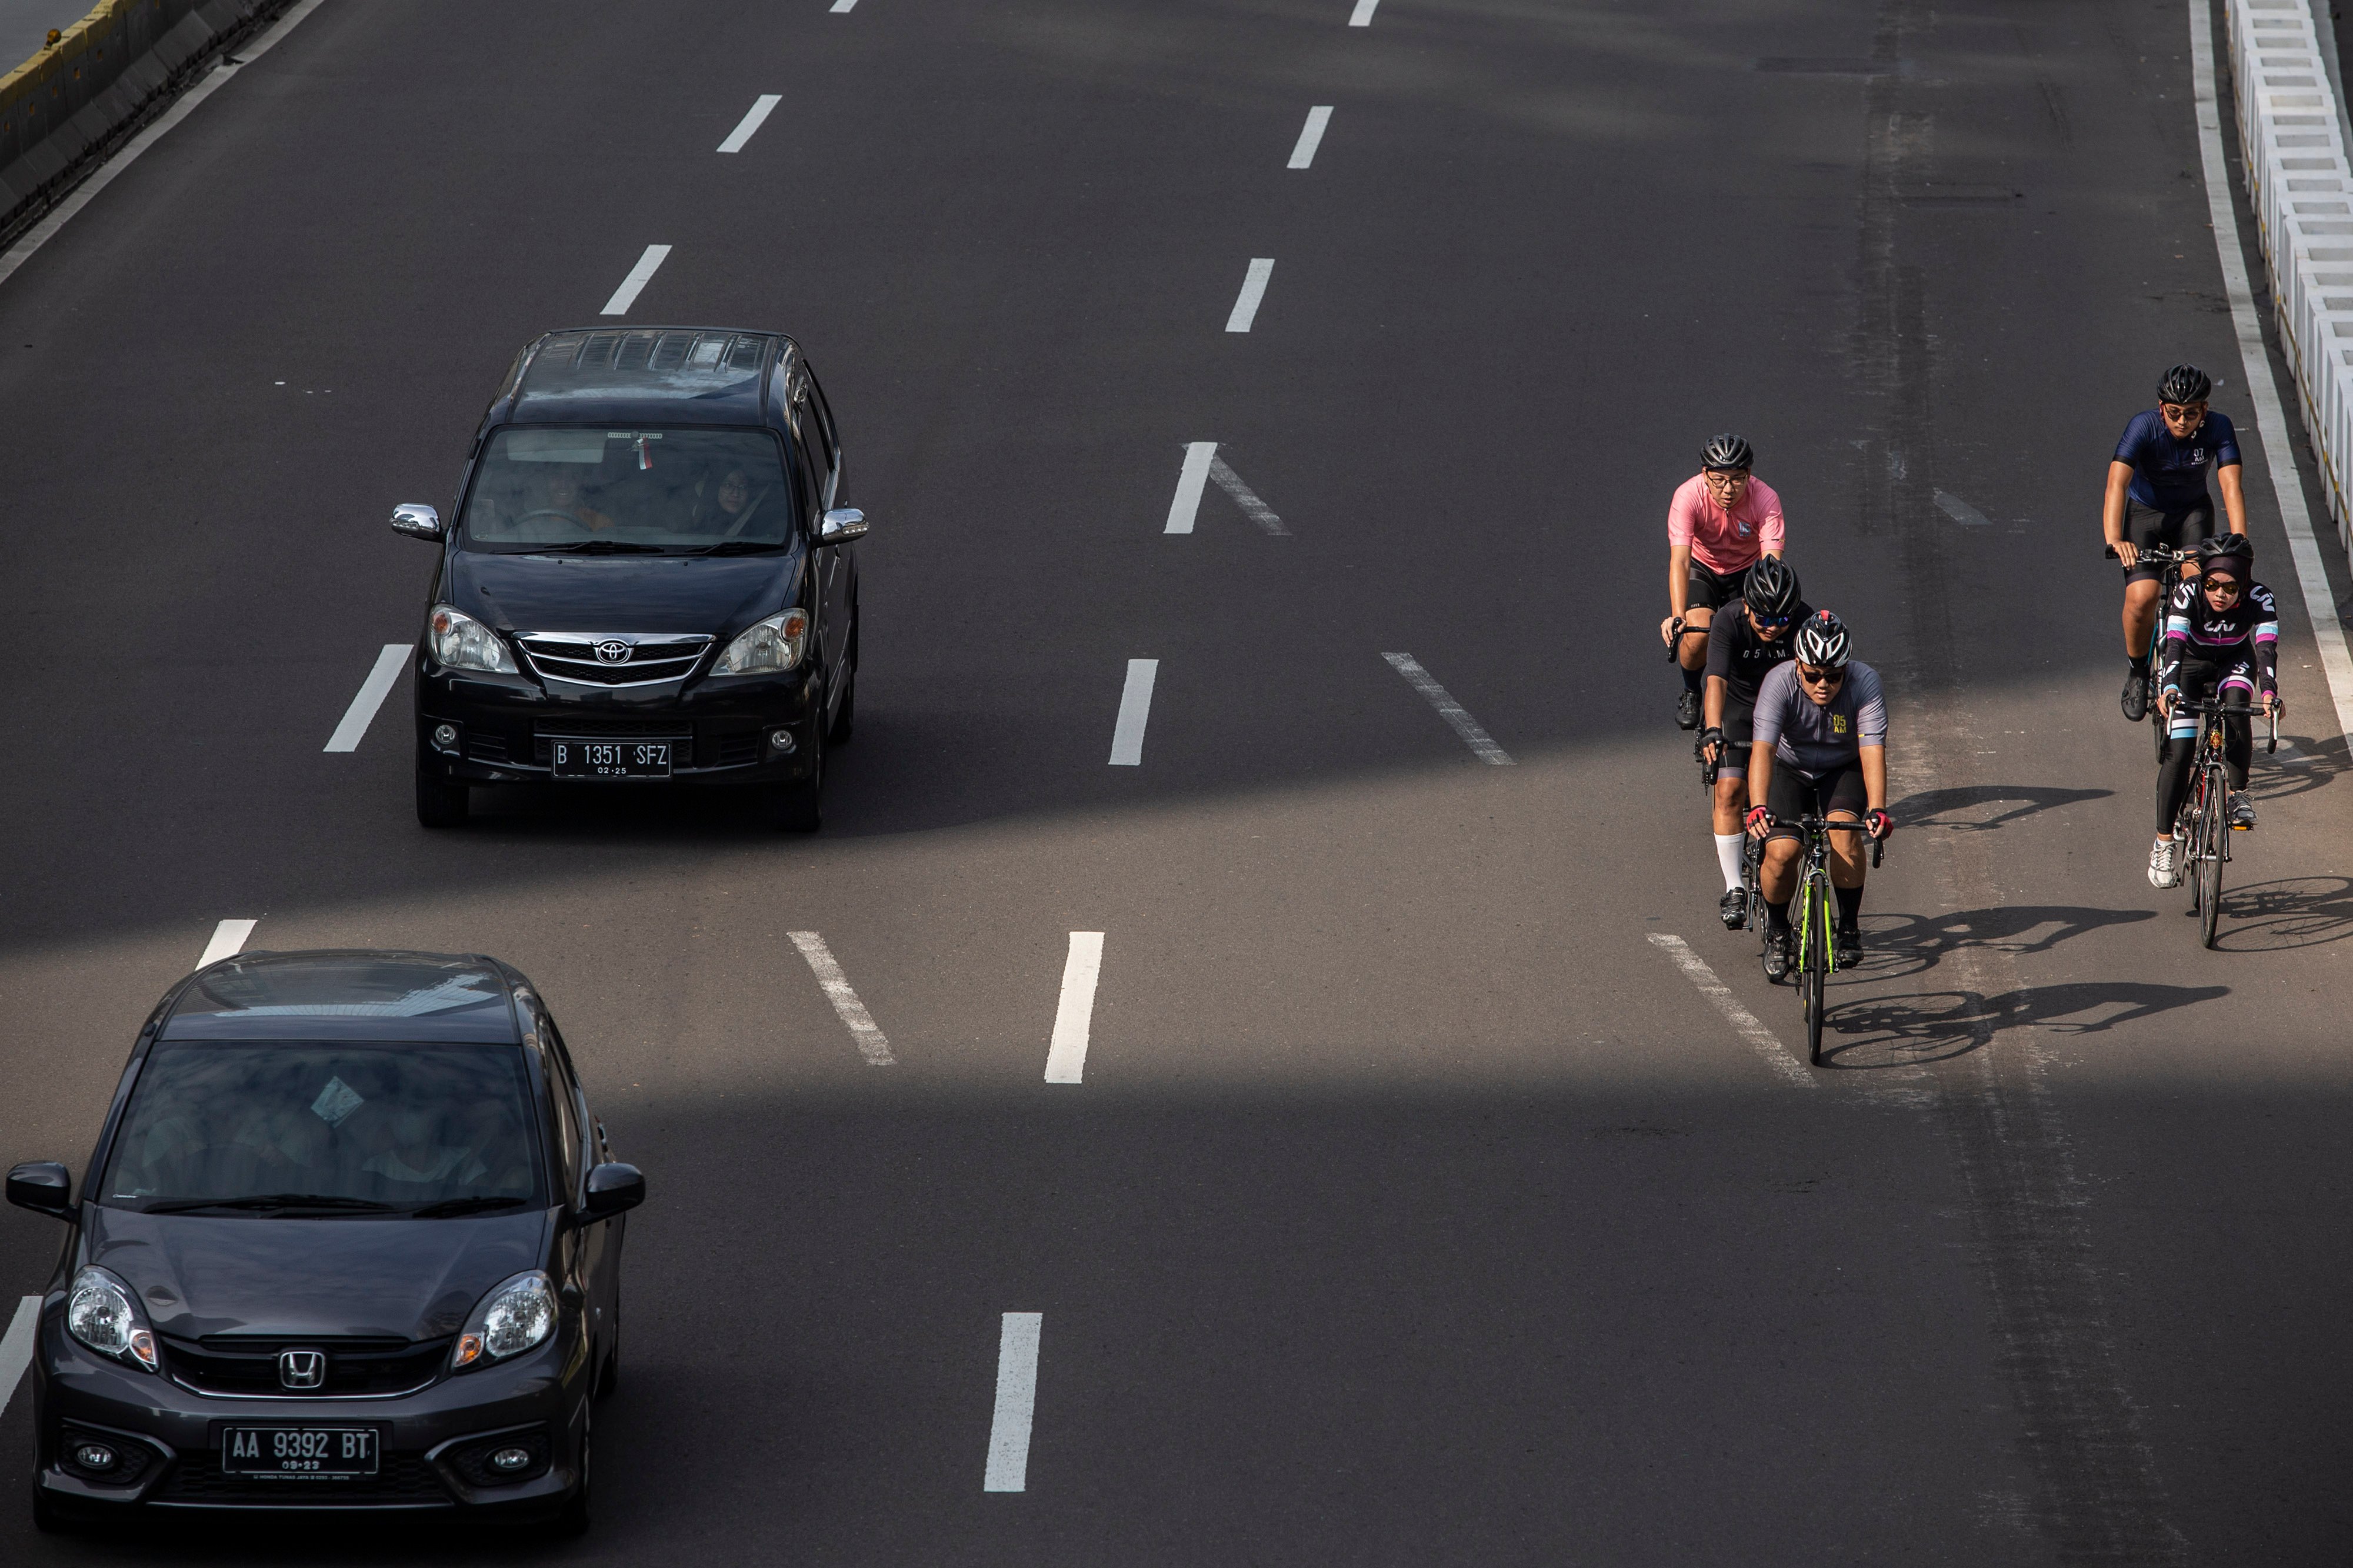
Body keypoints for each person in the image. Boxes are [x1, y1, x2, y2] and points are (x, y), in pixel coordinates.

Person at [1744, 612, 1892, 979]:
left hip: (1842, 768)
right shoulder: (1778, 683)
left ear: (1847, 669)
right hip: (1789, 768)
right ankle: (1778, 934)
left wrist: (1877, 809)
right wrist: (1759, 806)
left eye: (1833, 676)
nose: (1823, 685)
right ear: (1798, 665)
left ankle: (1850, 928)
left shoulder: (1865, 682)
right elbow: (1762, 750)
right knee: (1782, 852)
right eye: (1812, 676)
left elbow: (1873, 749)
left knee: (1845, 833)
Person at [2104, 363, 2247, 722]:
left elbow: (2230, 486)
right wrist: (2115, 539)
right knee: (2142, 598)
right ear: (2161, 407)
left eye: (2191, 413)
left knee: (2198, 588)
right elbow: (2117, 484)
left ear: (2205, 409)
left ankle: (2193, 662)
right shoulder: (2144, 426)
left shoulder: (2219, 427)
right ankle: (2139, 672)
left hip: (2191, 515)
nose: (2182, 421)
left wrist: (2240, 542)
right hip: (2145, 515)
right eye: (2174, 413)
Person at [2147, 536, 2278, 888]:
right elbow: (2173, 643)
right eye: (2212, 584)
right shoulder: (2186, 594)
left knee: (2237, 708)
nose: (2220, 594)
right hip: (2189, 666)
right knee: (2181, 751)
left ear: (2244, 585)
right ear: (2202, 580)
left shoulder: (2261, 598)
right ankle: (2163, 845)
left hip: (2234, 660)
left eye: (2231, 587)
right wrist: (2169, 687)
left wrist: (2269, 693)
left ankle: (2238, 795)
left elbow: (2266, 649)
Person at [1697, 556, 1810, 929]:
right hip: (1739, 709)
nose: (1774, 628)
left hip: (1785, 711)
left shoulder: (1801, 621)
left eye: (1782, 620)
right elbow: (1716, 681)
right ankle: (1735, 887)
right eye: (1764, 619)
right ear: (1746, 606)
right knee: (1730, 789)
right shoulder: (1727, 620)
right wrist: (1713, 729)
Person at [1660, 433, 1787, 730]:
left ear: (1749, 475)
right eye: (1719, 480)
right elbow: (1680, 560)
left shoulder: (1766, 499)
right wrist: (1678, 615)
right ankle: (1692, 691)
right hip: (1704, 568)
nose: (1728, 489)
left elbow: (1772, 565)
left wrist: (1766, 607)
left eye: (1737, 480)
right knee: (1695, 637)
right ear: (1705, 475)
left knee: (1754, 632)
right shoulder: (1688, 496)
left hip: (1747, 570)